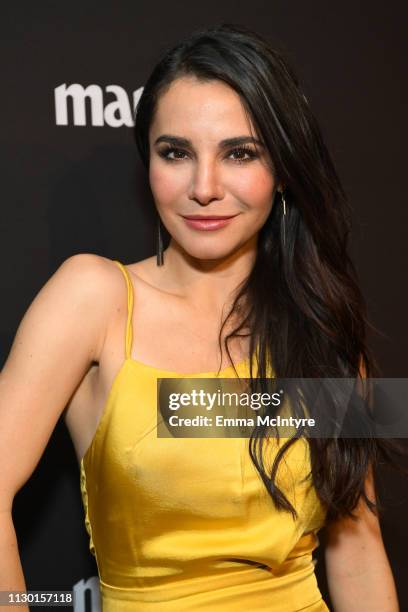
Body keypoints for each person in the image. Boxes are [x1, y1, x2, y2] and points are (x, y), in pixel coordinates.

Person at [0, 22, 403, 612]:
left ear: (283, 169)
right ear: (149, 165)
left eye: (240, 153)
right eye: (176, 153)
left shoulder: (324, 330)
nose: (204, 187)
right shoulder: (92, 295)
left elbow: (359, 553)